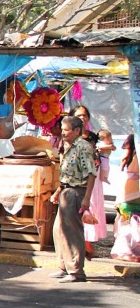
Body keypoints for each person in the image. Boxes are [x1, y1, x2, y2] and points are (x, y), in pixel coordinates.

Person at [49, 115, 98, 283]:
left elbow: (91, 174)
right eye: (62, 129)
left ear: (77, 130)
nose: (63, 133)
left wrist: (86, 199)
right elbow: (66, 174)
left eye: (66, 130)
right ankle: (64, 265)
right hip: (66, 190)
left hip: (76, 192)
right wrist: (57, 191)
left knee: (71, 230)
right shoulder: (68, 146)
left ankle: (76, 270)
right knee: (58, 229)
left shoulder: (83, 147)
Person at [117, 134, 139, 220]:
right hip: (135, 190)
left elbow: (124, 158)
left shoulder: (130, 157)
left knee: (125, 217)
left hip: (128, 190)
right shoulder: (136, 157)